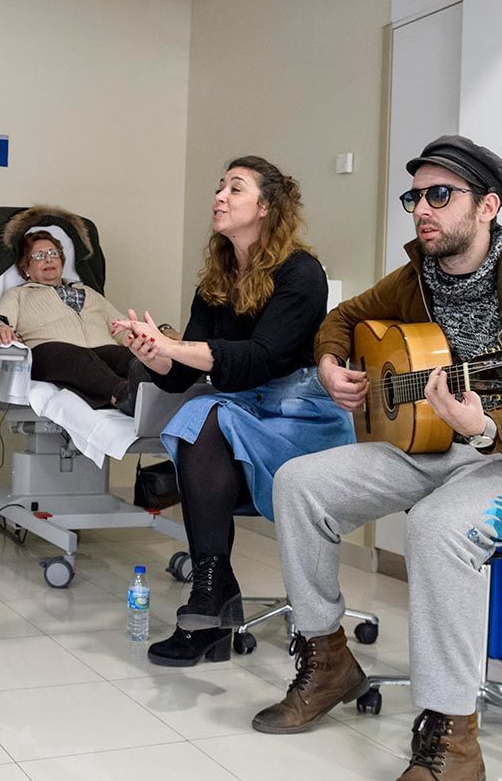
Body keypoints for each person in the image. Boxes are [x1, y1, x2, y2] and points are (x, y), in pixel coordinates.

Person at [258, 135, 502, 781]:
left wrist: (488, 427)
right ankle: (326, 659)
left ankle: (455, 739)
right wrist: (332, 366)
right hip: (435, 443)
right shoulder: (416, 275)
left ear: (488, 206)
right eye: (414, 196)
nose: (421, 208)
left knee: (441, 526)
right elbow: (342, 319)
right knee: (298, 481)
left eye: (439, 195)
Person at [112, 155, 354, 668]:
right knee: (199, 416)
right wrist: (150, 352)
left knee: (207, 417)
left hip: (301, 416)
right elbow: (181, 376)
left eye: (235, 189)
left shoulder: (302, 274)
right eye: (219, 187)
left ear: (265, 207)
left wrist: (176, 348)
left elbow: (259, 360)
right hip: (243, 411)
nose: (219, 196)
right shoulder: (216, 282)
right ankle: (209, 595)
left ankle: (212, 604)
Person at [0, 230, 141, 412]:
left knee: (128, 358)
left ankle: (158, 394)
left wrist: (158, 337)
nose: (48, 259)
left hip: (100, 349)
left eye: (53, 254)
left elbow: (122, 327)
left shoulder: (89, 293)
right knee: (79, 357)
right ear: (26, 267)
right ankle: (123, 396)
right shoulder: (19, 294)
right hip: (50, 353)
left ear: (62, 261)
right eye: (39, 256)